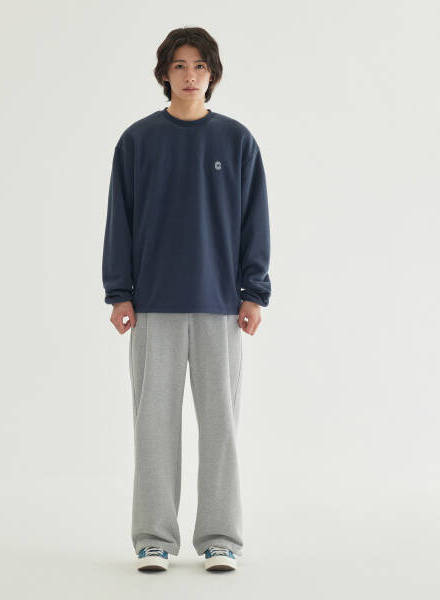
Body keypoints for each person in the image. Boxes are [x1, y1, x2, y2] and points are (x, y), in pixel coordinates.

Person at [101, 26, 271, 573]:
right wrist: (119, 292)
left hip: (221, 305)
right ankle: (154, 538)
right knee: (153, 426)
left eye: (199, 66)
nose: (190, 75)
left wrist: (254, 292)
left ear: (212, 74)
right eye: (179, 65)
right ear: (164, 73)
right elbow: (120, 220)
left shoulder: (237, 141)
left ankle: (221, 538)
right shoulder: (138, 141)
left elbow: (254, 221)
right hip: (153, 306)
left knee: (221, 426)